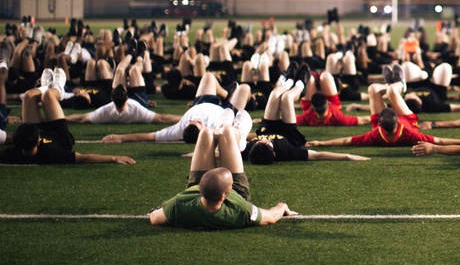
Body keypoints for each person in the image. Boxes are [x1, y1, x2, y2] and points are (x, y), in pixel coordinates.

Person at [149, 124, 296, 229]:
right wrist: (282, 206)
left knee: (206, 132)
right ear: (223, 196)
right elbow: (271, 217)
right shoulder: (240, 210)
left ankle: (221, 128)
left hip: (201, 189)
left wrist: (155, 212)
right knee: (227, 132)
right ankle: (237, 131)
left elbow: (155, 218)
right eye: (230, 184)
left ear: (200, 187)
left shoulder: (181, 203)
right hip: (236, 194)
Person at [305, 79, 460, 149]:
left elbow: (346, 140)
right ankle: (398, 82)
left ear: (378, 124)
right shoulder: (408, 131)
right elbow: (438, 140)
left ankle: (389, 83)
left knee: (373, 89)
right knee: (394, 92)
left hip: (393, 122)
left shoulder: (375, 134)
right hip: (408, 119)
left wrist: (321, 142)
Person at [101, 71, 254, 145]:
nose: (196, 119)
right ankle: (230, 95)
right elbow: (244, 136)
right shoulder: (216, 131)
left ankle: (225, 92)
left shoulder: (178, 130)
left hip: (203, 102)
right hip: (227, 111)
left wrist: (121, 137)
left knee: (208, 76)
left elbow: (149, 136)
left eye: (191, 122)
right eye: (198, 123)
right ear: (203, 132)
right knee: (245, 88)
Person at [240, 77, 369, 164]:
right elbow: (318, 155)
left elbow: (222, 152)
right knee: (287, 98)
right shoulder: (287, 152)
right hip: (289, 133)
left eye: (259, 142)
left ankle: (288, 78)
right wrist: (347, 156)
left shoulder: (249, 151)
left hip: (267, 128)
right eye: (267, 143)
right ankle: (301, 81)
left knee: (274, 95)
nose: (264, 140)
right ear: (274, 153)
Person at [1, 83, 135, 165]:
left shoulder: (13, 153)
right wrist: (113, 158)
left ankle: (46, 84)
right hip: (59, 135)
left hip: (30, 135)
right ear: (38, 140)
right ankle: (57, 86)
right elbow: (84, 158)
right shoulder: (50, 153)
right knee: (48, 95)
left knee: (29, 96)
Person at [65, 83, 182, 125]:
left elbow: (80, 118)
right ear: (127, 98)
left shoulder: (105, 111)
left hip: (113, 112)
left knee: (120, 70)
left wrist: (62, 119)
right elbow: (162, 119)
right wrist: (184, 118)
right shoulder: (136, 109)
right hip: (138, 107)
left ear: (111, 98)